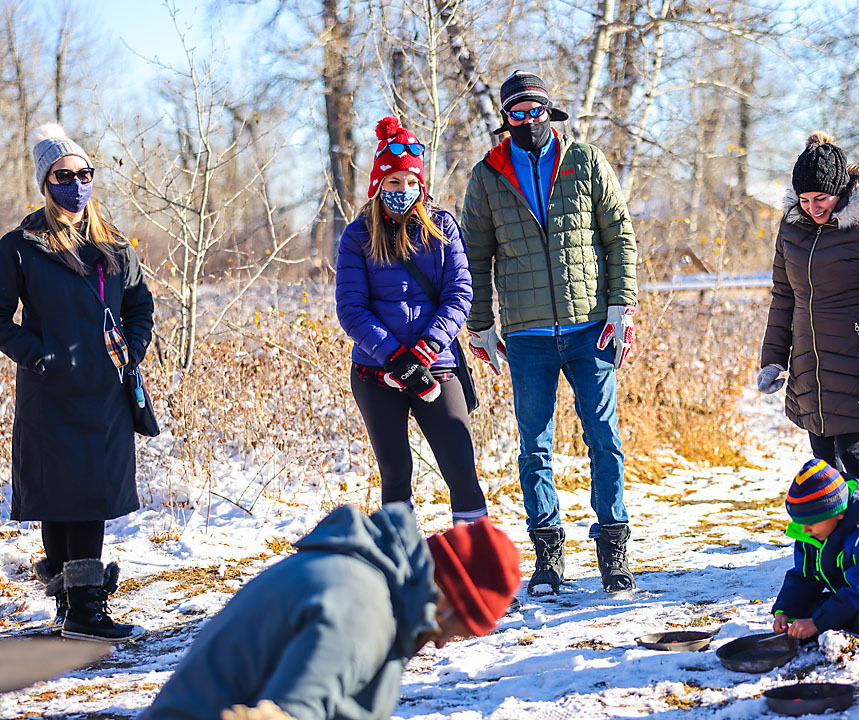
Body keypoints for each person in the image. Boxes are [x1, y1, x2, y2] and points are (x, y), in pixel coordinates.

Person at [461, 71, 638, 594]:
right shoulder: (486, 177)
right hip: (527, 336)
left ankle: (614, 550)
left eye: (536, 112)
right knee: (534, 445)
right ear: (505, 122)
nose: (529, 122)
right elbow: (474, 257)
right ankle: (548, 557)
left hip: (592, 330)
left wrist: (620, 306)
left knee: (603, 438)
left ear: (551, 114)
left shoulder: (585, 161)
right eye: (517, 114)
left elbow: (619, 236)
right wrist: (481, 326)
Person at [141, 504, 521, 720]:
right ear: (450, 599)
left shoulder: (367, 580)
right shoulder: (362, 608)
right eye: (458, 631)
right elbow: (287, 715)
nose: (442, 645)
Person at [0, 124, 154, 642]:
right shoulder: (21, 247)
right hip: (50, 395)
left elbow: (140, 306)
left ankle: (80, 605)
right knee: (60, 495)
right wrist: (37, 357)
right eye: (64, 175)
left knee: (89, 494)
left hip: (106, 393)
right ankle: (78, 607)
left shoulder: (113, 245)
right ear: (46, 182)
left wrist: (131, 352)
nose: (77, 184)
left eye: (85, 174)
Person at [336, 117, 487, 525]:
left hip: (437, 367)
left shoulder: (442, 228)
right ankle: (404, 567)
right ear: (378, 186)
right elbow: (351, 308)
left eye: (409, 182)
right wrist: (395, 359)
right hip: (375, 373)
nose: (402, 190)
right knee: (396, 475)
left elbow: (460, 294)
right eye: (393, 182)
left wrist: (423, 352)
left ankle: (477, 570)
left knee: (461, 469)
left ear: (421, 184)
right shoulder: (357, 236)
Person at [758, 131, 859, 499]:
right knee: (823, 460)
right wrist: (772, 361)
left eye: (822, 198)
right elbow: (784, 297)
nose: (813, 208)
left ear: (840, 191)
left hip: (856, 361)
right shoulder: (792, 227)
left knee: (854, 454)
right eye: (805, 199)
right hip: (809, 362)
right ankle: (838, 538)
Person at [772, 458, 859, 640]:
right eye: (801, 523)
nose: (805, 530)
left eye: (811, 523)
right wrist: (785, 610)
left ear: (837, 512)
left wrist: (817, 623)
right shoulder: (814, 533)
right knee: (804, 610)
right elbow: (804, 575)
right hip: (849, 595)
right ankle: (833, 620)